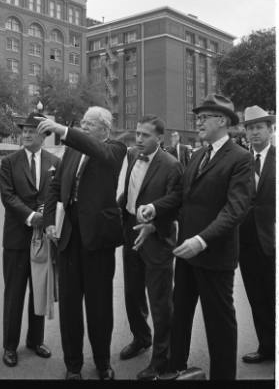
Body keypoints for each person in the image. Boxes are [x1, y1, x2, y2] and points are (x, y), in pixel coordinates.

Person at [36, 107, 127, 380]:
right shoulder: (72, 151)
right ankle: (72, 365)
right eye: (82, 123)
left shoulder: (115, 149)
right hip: (69, 237)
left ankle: (102, 363)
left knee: (99, 307)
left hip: (97, 240)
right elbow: (55, 187)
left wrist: (63, 130)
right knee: (70, 307)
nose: (84, 127)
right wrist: (50, 219)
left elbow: (95, 149)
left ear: (105, 129)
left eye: (90, 124)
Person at [168, 93, 253, 380]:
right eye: (199, 117)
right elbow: (181, 194)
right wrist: (153, 211)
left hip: (214, 255)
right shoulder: (198, 154)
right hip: (187, 253)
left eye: (204, 117)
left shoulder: (240, 159)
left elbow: (235, 210)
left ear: (222, 120)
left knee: (219, 324)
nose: (199, 122)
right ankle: (174, 368)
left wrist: (201, 240)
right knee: (179, 315)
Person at [118, 115, 183, 380]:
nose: (139, 139)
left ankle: (160, 358)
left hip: (157, 237)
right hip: (130, 231)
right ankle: (141, 338)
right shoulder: (132, 155)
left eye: (145, 135)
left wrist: (154, 222)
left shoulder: (172, 165)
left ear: (160, 138)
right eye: (137, 133)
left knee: (159, 302)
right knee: (132, 294)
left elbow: (177, 201)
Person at [0, 112, 60, 367]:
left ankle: (35, 341)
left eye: (31, 130)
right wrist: (32, 216)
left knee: (39, 291)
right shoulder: (9, 162)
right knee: (14, 294)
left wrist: (49, 216)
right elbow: (8, 196)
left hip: (43, 240)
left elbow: (57, 195)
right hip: (16, 239)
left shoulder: (54, 161)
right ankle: (9, 346)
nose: (25, 134)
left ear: (44, 135)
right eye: (23, 130)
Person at [239, 106, 275, 364]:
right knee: (257, 298)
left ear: (270, 129)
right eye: (250, 128)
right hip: (248, 243)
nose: (253, 132)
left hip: (273, 239)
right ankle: (266, 347)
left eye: (258, 127)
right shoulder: (241, 160)